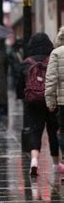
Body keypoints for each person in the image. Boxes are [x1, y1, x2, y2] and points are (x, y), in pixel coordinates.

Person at [18, 33, 62, 175]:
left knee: (35, 131)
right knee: (53, 132)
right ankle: (56, 164)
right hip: (52, 100)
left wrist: (23, 97)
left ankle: (34, 161)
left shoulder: (26, 62)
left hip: (33, 103)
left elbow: (19, 86)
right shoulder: (52, 59)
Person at [45, 26, 64, 172]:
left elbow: (51, 80)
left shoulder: (56, 53)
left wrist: (50, 102)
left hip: (62, 102)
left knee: (62, 132)